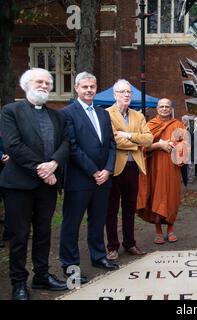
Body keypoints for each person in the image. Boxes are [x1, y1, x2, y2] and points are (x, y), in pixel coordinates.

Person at [0, 68, 70, 300]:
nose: (44, 86)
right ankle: (18, 282)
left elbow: (66, 144)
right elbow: (13, 145)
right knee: (19, 236)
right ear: (26, 84)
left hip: (47, 186)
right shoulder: (11, 111)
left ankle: (42, 275)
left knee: (43, 233)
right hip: (19, 185)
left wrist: (54, 164)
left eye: (48, 83)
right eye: (39, 81)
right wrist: (43, 169)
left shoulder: (57, 116)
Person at [59, 72, 118, 284]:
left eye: (92, 86)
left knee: (98, 221)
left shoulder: (103, 114)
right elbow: (72, 147)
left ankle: (99, 256)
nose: (89, 90)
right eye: (85, 86)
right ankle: (70, 266)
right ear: (77, 88)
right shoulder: (67, 113)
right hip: (79, 180)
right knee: (71, 224)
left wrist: (108, 170)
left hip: (103, 179)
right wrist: (94, 171)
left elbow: (112, 144)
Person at [105, 79, 154, 261]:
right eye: (122, 92)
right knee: (111, 209)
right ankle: (112, 246)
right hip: (115, 167)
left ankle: (130, 243)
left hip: (134, 167)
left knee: (129, 208)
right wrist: (135, 143)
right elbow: (113, 140)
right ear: (115, 94)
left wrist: (127, 135)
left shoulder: (138, 116)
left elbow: (148, 139)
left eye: (128, 92)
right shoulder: (106, 114)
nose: (126, 95)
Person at [137, 98, 189, 244]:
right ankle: (158, 231)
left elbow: (186, 146)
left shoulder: (178, 125)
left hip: (172, 168)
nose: (164, 109)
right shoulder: (149, 125)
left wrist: (173, 145)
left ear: (171, 108)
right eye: (162, 106)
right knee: (156, 196)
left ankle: (171, 229)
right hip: (154, 167)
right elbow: (143, 146)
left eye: (167, 106)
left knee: (171, 197)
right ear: (157, 108)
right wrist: (159, 145)